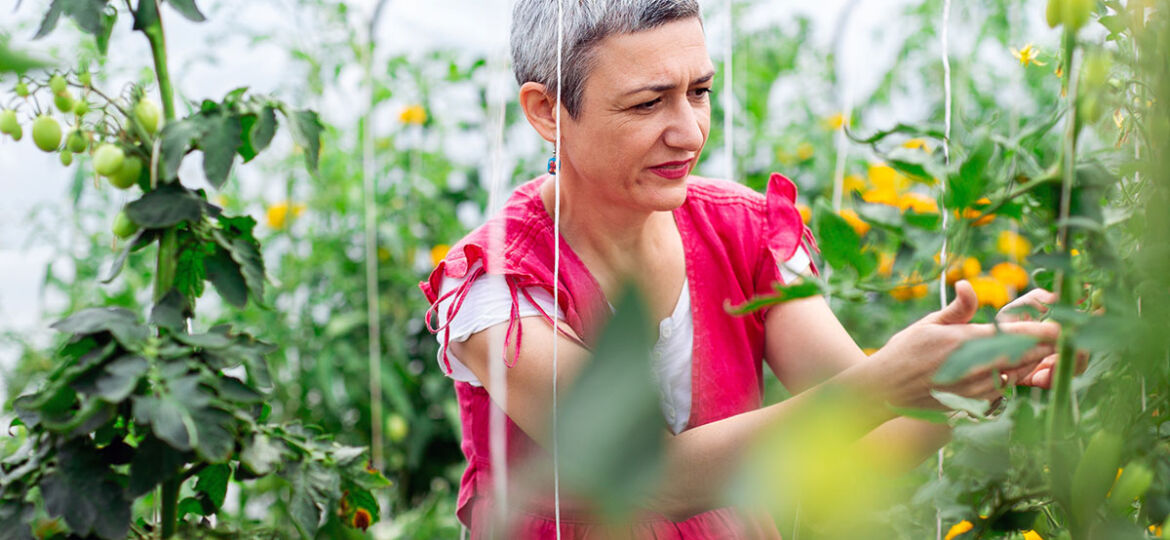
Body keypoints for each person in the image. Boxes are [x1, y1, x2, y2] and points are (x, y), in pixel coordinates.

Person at [420, 1, 1062, 537]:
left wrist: (979, 366)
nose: (690, 132)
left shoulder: (745, 232)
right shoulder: (495, 284)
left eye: (698, 92)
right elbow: (651, 478)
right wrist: (885, 382)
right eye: (648, 104)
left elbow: (874, 441)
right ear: (545, 111)